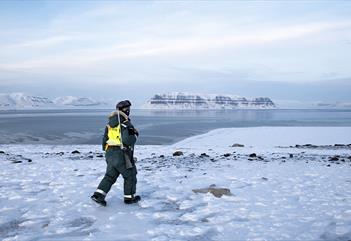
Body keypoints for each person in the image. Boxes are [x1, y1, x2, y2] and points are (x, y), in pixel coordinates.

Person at [91, 100, 140, 206]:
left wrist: (108, 152)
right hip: (121, 153)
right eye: (128, 109)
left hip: (109, 153)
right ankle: (129, 198)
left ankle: (98, 195)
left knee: (110, 176)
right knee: (130, 175)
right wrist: (136, 134)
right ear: (126, 110)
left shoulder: (109, 124)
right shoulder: (126, 124)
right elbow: (128, 140)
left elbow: (104, 140)